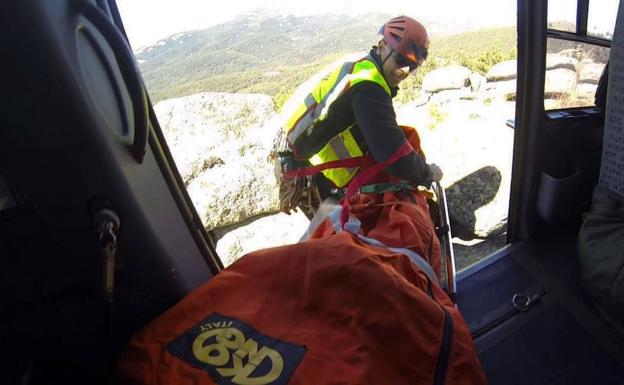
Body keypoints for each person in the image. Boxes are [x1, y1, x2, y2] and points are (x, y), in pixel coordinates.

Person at [274, 15, 443, 215]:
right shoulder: (369, 85)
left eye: (413, 66)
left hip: (295, 144)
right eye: (400, 60)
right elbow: (392, 152)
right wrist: (427, 174)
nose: (405, 70)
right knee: (340, 234)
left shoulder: (363, 63)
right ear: (381, 46)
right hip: (301, 164)